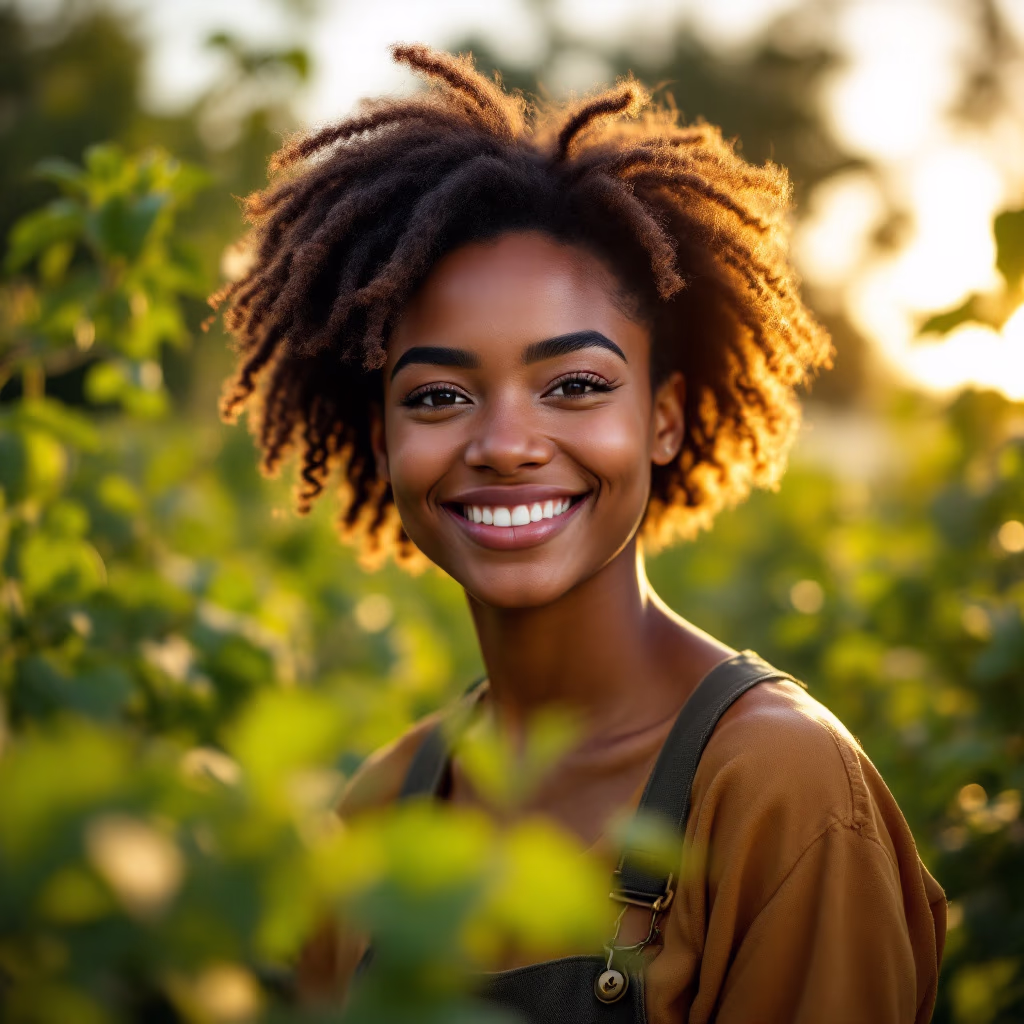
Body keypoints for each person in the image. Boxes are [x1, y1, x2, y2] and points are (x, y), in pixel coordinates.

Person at [212, 43, 946, 1024]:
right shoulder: (378, 809)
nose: (506, 443)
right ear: (382, 439)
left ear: (664, 417)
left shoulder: (781, 789)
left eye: (575, 385)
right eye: (437, 395)